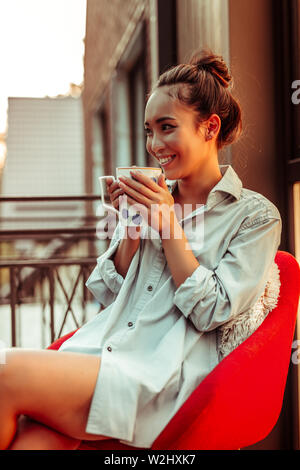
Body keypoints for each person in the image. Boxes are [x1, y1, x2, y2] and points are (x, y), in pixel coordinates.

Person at [0, 49, 281, 450]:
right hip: (102, 354)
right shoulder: (154, 197)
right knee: (33, 440)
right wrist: (130, 226)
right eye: (149, 130)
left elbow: (213, 311)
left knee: (4, 372)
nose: (154, 143)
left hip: (159, 377)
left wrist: (168, 226)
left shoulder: (255, 217)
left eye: (167, 127)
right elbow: (110, 291)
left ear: (210, 127)